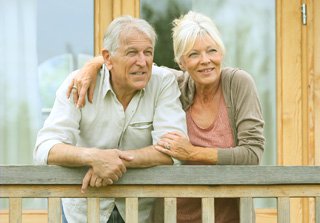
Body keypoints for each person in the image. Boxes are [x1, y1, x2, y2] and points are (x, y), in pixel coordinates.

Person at [68, 11, 265, 223]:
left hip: (227, 216)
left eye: (212, 51)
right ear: (182, 62)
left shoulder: (238, 83)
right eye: (194, 54)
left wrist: (192, 154)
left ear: (221, 53)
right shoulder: (172, 83)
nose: (205, 61)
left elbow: (252, 153)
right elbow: (129, 63)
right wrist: (92, 66)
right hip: (172, 215)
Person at [34, 15, 187, 223]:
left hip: (140, 211)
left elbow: (174, 150)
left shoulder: (163, 82)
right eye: (132, 52)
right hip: (83, 211)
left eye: (148, 53)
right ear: (107, 58)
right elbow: (45, 148)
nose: (142, 62)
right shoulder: (77, 84)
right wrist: (93, 157)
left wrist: (112, 160)